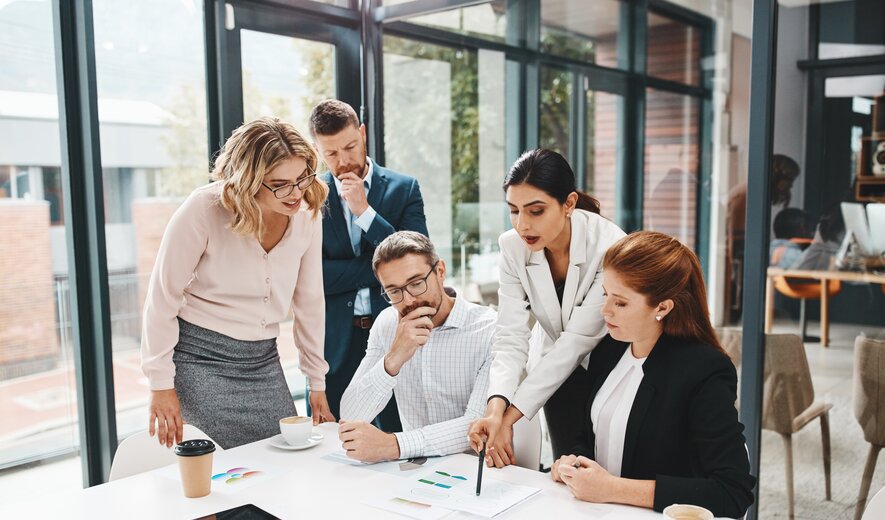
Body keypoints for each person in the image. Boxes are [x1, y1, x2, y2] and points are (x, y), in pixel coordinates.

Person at [141, 117, 333, 449]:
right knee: (220, 474)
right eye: (280, 183)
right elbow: (162, 297)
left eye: (302, 178)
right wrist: (161, 384)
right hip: (199, 361)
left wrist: (317, 382)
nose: (296, 193)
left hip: (263, 362)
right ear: (249, 180)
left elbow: (310, 301)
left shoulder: (307, 215)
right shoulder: (204, 208)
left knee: (284, 461)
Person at [550, 231, 755, 518]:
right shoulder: (609, 349)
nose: (605, 310)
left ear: (662, 307)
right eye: (605, 294)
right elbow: (593, 434)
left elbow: (733, 492)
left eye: (620, 303)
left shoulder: (704, 370)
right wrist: (573, 461)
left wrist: (612, 489)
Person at [468, 149, 626, 467]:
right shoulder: (512, 247)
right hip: (555, 370)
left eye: (535, 211)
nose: (522, 224)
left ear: (568, 203)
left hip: (611, 362)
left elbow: (577, 340)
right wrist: (495, 408)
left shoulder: (609, 244)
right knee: (566, 465)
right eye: (513, 210)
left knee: (610, 467)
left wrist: (510, 419)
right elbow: (510, 335)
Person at [309, 99, 428, 431]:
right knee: (335, 441)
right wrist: (378, 271)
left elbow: (416, 259)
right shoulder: (310, 197)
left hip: (393, 334)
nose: (344, 161)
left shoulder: (404, 189)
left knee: (396, 434)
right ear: (317, 150)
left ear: (362, 133)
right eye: (331, 154)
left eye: (350, 147)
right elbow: (311, 277)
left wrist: (365, 213)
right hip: (335, 343)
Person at [337, 231, 495, 462]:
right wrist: (393, 359)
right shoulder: (387, 323)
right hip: (414, 472)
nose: (408, 300)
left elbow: (476, 425)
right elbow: (351, 415)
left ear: (440, 271)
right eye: (394, 291)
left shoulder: (489, 329)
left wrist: (394, 445)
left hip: (478, 469)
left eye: (416, 283)